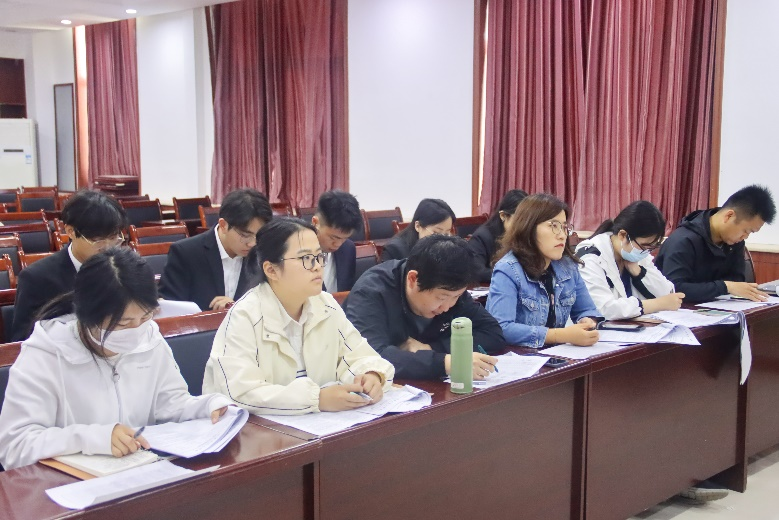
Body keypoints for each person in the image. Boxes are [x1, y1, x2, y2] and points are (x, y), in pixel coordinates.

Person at [0, 248, 230, 470]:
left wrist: (204, 406)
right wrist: (92, 438)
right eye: (122, 323)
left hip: (142, 471)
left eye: (146, 317)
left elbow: (169, 403)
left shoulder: (150, 336)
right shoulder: (47, 354)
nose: (136, 330)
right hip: (69, 484)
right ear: (87, 316)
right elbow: (14, 446)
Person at [202, 217, 394, 415]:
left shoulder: (325, 304)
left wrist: (371, 375)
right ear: (271, 270)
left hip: (317, 425)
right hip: (257, 429)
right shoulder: (245, 316)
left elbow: (360, 355)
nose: (318, 266)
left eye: (319, 256)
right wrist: (317, 399)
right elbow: (240, 392)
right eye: (306, 258)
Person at [345, 234, 504, 380]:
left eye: (456, 297)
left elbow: (492, 333)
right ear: (413, 279)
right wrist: (447, 363)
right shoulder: (371, 292)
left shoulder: (451, 288)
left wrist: (432, 348)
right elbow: (371, 357)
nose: (447, 307)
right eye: (441, 298)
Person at [486, 193, 601, 348]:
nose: (562, 236)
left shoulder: (567, 266)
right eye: (554, 226)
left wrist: (587, 321)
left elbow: (587, 309)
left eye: (564, 227)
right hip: (522, 356)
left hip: (558, 354)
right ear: (528, 227)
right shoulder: (508, 270)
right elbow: (502, 328)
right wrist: (560, 335)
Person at [11, 190, 127, 341]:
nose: (107, 247)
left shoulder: (125, 267)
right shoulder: (36, 278)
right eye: (97, 240)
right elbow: (23, 339)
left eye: (113, 238)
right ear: (70, 231)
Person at [656, 185, 776, 303]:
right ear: (729, 216)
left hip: (717, 307)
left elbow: (737, 281)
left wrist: (728, 287)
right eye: (746, 231)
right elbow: (675, 288)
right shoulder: (683, 240)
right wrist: (725, 287)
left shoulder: (734, 242)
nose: (745, 237)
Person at [159, 188, 273, 311]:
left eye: (258, 236)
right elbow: (170, 306)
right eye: (245, 236)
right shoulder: (186, 253)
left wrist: (237, 307)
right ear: (223, 225)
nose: (252, 244)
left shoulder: (263, 253)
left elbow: (271, 300)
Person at [576, 201, 684, 320]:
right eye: (644, 246)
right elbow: (604, 309)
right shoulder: (590, 257)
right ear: (623, 235)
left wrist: (639, 273)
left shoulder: (636, 253)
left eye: (651, 248)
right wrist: (656, 304)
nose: (646, 252)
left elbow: (668, 293)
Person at [468, 189, 528, 284]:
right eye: (519, 219)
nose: (524, 225)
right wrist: (512, 274)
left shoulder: (526, 235)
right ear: (503, 216)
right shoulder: (482, 237)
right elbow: (477, 272)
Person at [309, 190, 363, 293]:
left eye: (344, 238)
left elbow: (346, 292)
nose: (338, 244)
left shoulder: (348, 248)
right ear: (315, 222)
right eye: (333, 238)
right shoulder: (295, 252)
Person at [380, 198, 455, 262]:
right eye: (436, 233)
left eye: (446, 234)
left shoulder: (449, 246)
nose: (442, 239)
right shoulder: (395, 250)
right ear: (418, 226)